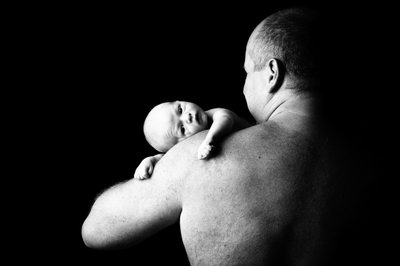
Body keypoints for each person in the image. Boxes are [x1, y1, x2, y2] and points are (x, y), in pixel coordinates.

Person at [81, 7, 363, 265]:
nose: (243, 87)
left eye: (246, 72)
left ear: (272, 74)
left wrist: (166, 165)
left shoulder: (199, 158)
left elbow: (94, 231)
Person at [134, 101, 250, 180]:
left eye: (180, 109)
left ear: (179, 100)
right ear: (179, 146)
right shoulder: (184, 148)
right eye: (183, 128)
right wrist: (151, 160)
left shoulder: (214, 115)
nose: (187, 117)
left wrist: (209, 140)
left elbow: (226, 119)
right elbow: (167, 157)